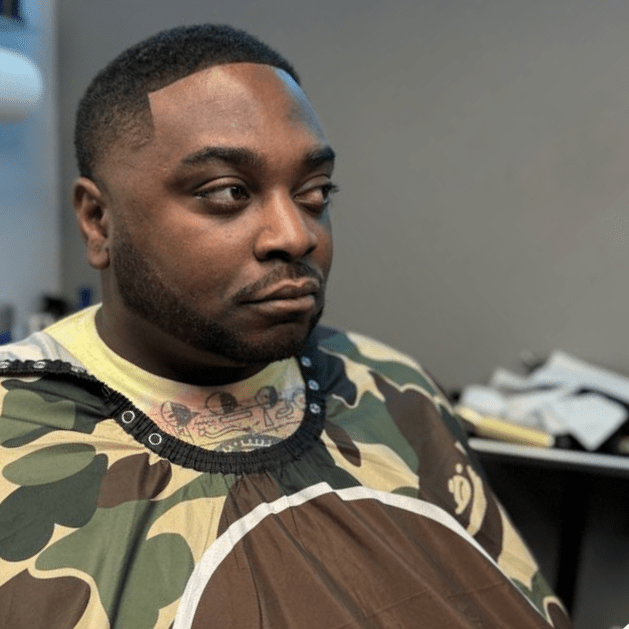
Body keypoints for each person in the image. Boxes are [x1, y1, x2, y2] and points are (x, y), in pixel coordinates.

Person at [0, 24, 571, 629]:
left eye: (315, 192)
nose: (296, 235)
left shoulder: (391, 386)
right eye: (228, 192)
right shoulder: (18, 430)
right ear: (98, 221)